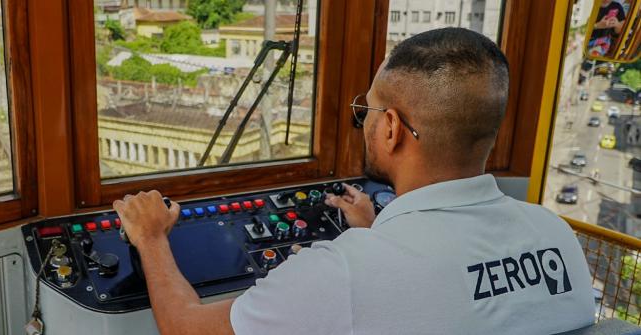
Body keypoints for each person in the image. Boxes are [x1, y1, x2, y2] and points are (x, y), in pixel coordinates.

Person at [113, 28, 595, 335]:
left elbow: (186, 329)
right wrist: (372, 235)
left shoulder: (343, 273)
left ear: (390, 128)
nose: (363, 121)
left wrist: (152, 238)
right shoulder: (555, 234)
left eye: (365, 110)